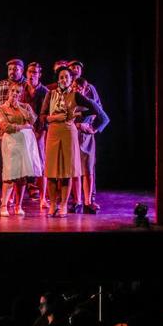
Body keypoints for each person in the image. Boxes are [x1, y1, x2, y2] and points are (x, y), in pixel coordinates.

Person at [40, 65, 108, 217]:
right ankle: (53, 205)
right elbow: (42, 116)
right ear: (58, 80)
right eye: (61, 77)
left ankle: (64, 205)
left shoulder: (76, 95)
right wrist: (53, 118)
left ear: (71, 79)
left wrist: (88, 123)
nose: (64, 79)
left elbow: (97, 110)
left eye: (67, 77)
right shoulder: (50, 94)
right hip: (53, 133)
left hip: (68, 133)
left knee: (67, 171)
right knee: (51, 171)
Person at [0, 83, 43, 216]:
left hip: (25, 143)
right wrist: (23, 127)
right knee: (10, 173)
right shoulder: (2, 108)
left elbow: (33, 120)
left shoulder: (25, 106)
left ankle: (18, 205)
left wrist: (20, 109)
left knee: (22, 175)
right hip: (10, 142)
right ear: (8, 92)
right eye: (12, 91)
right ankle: (4, 205)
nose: (15, 93)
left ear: (21, 94)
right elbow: (5, 126)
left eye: (18, 92)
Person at [69, 60, 105, 213]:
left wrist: (93, 129)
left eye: (78, 67)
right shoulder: (68, 97)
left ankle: (88, 201)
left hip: (86, 137)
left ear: (85, 89)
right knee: (74, 169)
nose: (77, 89)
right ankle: (77, 201)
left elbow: (103, 116)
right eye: (74, 87)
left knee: (88, 169)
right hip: (72, 135)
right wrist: (77, 125)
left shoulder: (90, 98)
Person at [23, 62, 50, 207]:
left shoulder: (45, 91)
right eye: (30, 72)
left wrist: (41, 132)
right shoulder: (21, 90)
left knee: (40, 164)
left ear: (39, 75)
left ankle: (43, 198)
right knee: (21, 164)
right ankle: (15, 199)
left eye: (35, 72)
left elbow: (46, 114)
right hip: (24, 131)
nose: (32, 75)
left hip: (39, 132)